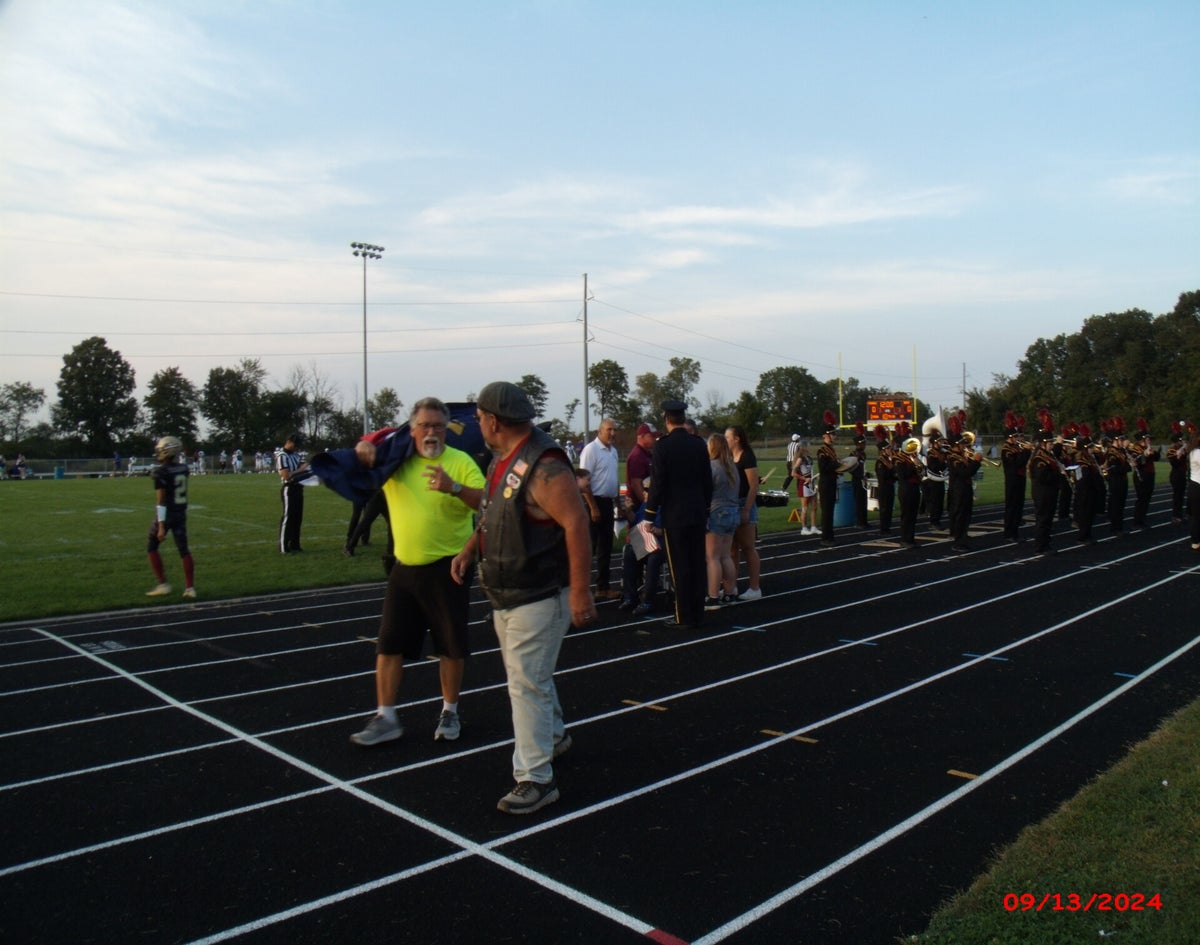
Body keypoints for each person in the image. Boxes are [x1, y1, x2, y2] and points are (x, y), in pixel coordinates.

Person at [450, 381, 596, 814]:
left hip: (539, 592)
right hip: (511, 591)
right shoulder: (504, 458)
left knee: (525, 683)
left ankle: (535, 777)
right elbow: (492, 511)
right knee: (530, 676)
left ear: (494, 421)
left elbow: (576, 524)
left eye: (479, 418)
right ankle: (553, 736)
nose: (478, 425)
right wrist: (470, 549)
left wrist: (581, 592)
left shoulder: (545, 464)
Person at [350, 397, 486, 748]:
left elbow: (488, 503)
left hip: (448, 567)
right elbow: (358, 468)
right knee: (389, 644)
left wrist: (454, 487)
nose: (431, 432)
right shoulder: (397, 461)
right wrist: (363, 447)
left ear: (447, 430)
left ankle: (450, 711)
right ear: (412, 430)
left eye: (438, 426)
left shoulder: (460, 461)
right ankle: (386, 717)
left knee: (450, 646)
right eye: (424, 425)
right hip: (405, 568)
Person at [647, 401, 713, 628]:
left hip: (674, 516)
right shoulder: (698, 444)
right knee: (696, 565)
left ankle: (683, 616)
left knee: (679, 568)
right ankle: (698, 613)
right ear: (684, 419)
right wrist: (705, 508)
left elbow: (657, 484)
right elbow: (707, 481)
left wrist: (649, 514)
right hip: (697, 513)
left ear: (667, 420)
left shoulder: (662, 446)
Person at [619, 423, 664, 616]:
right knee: (630, 552)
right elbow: (636, 519)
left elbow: (670, 527)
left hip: (661, 541)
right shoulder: (638, 457)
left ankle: (648, 600)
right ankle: (630, 597)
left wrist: (658, 531)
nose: (654, 440)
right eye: (651, 436)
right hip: (648, 539)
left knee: (653, 559)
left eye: (648, 490)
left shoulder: (663, 504)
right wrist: (627, 510)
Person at [145, 435, 196, 599]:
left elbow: (161, 501)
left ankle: (163, 584)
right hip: (180, 513)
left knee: (151, 546)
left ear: (167, 451)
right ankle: (190, 588)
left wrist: (161, 526)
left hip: (167, 514)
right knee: (184, 550)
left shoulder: (160, 472)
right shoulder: (183, 468)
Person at [579, 417, 620, 599]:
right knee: (588, 548)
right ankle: (581, 590)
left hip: (608, 503)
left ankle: (602, 587)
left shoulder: (613, 451)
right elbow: (584, 481)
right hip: (593, 503)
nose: (612, 433)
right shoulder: (591, 450)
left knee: (605, 548)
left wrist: (618, 504)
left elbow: (614, 480)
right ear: (600, 431)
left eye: (614, 430)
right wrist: (593, 507)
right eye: (609, 429)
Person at [724, 424, 762, 598]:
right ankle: (731, 586)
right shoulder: (728, 456)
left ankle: (755, 588)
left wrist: (746, 509)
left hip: (744, 502)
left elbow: (753, 485)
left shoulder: (747, 456)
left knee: (748, 547)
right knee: (732, 549)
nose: (725, 440)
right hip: (731, 504)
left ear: (737, 439)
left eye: (727, 437)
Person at [705, 434, 740, 609]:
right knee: (726, 556)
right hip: (733, 512)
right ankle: (730, 593)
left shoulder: (711, 466)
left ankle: (713, 596)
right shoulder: (732, 467)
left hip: (717, 512)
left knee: (712, 557)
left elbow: (706, 491)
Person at [1028, 414, 1063, 555]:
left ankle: (1046, 543)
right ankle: (1040, 546)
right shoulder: (1039, 458)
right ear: (1043, 444)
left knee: (1048, 519)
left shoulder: (1048, 455)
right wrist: (1059, 474)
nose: (1051, 445)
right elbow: (1043, 477)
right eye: (1049, 443)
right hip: (1043, 492)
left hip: (1049, 491)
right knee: (1043, 519)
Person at [1000, 413, 1031, 542]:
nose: (1018, 438)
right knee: (1012, 507)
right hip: (1012, 480)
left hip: (1020, 479)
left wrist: (1025, 451)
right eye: (1015, 437)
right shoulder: (1006, 450)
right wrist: (1027, 451)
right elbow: (1018, 463)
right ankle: (1009, 533)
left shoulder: (1016, 447)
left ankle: (1015, 532)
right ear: (1010, 437)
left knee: (1019, 506)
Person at [277, 432, 308, 553]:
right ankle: (283, 546)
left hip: (299, 487)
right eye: (295, 445)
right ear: (289, 442)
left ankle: (295, 544)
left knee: (297, 518)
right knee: (288, 517)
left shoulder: (295, 455)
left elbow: (305, 466)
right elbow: (286, 475)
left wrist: (302, 469)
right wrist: (300, 470)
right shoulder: (282, 456)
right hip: (289, 488)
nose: (297, 448)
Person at [816, 411, 840, 547]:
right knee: (826, 511)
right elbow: (823, 468)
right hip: (826, 483)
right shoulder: (822, 451)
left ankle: (830, 536)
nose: (835, 436)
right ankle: (825, 537)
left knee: (830, 511)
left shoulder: (831, 450)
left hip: (832, 482)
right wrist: (837, 465)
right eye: (833, 434)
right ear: (827, 435)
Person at [1130, 419, 1157, 529]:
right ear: (1142, 439)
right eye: (1147, 438)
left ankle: (1142, 519)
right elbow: (1136, 460)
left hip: (1149, 474)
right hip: (1141, 475)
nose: (1149, 440)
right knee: (1141, 498)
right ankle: (1137, 521)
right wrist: (1144, 455)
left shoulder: (1147, 447)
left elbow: (1157, 457)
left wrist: (1152, 452)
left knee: (1147, 498)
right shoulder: (1135, 448)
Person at [873, 425, 896, 536]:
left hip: (890, 486)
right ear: (883, 450)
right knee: (884, 509)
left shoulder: (889, 460)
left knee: (889, 508)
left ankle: (888, 528)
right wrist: (892, 472)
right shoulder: (880, 462)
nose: (890, 450)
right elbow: (883, 475)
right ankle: (884, 529)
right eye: (888, 448)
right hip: (884, 488)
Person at [792, 439, 816, 535]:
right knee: (805, 508)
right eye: (807, 446)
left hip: (811, 484)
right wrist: (804, 478)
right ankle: (804, 528)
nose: (809, 447)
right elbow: (793, 473)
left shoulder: (808, 458)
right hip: (804, 485)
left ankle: (813, 527)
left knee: (814, 506)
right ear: (803, 447)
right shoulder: (800, 459)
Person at [1167, 423, 1188, 525]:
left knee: (1181, 496)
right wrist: (1179, 456)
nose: (1183, 441)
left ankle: (1179, 515)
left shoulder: (1183, 449)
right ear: (1178, 441)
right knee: (1177, 496)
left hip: (1182, 474)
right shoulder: (1172, 450)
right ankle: (1176, 516)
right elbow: (1174, 463)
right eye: (1181, 440)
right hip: (1176, 475)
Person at [850, 423, 868, 529]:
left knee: (864, 500)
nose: (865, 445)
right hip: (857, 480)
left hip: (863, 480)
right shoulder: (853, 454)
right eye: (863, 443)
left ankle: (864, 521)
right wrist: (859, 475)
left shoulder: (863, 454)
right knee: (858, 501)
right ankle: (859, 522)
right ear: (859, 444)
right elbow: (850, 468)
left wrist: (866, 474)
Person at [1188, 424, 1200, 551]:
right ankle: (1195, 540)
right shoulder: (1197, 453)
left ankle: (1195, 540)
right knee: (1197, 517)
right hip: (1197, 486)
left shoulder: (1193, 451)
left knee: (1196, 516)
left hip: (1195, 485)